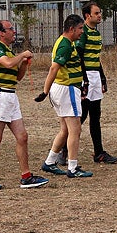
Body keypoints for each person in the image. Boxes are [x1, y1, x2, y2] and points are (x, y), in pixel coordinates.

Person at [0, 20, 49, 191]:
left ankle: (26, 176)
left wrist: (24, 62)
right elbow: (7, 63)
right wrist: (22, 55)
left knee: (22, 136)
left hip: (11, 96)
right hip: (0, 96)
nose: (13, 32)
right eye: (10, 29)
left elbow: (18, 77)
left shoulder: (8, 51)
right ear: (1, 33)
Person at [36, 15, 93, 179]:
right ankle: (73, 167)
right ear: (71, 29)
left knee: (65, 130)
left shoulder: (67, 43)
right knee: (75, 129)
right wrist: (45, 91)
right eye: (80, 28)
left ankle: (49, 162)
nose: (82, 32)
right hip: (66, 90)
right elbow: (53, 69)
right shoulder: (65, 46)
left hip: (64, 89)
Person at [77, 2, 117, 164]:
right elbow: (79, 56)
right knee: (80, 116)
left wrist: (102, 78)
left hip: (94, 76)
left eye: (100, 12)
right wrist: (84, 80)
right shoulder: (83, 32)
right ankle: (63, 151)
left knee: (95, 115)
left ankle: (99, 152)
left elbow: (96, 58)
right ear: (88, 15)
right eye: (97, 13)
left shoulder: (96, 33)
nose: (100, 15)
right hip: (85, 76)